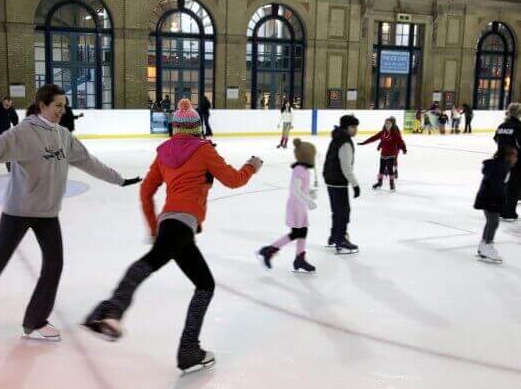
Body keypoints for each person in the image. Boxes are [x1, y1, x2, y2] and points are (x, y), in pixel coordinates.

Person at [0, 84, 141, 341]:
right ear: (42, 106)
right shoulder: (24, 133)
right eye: (57, 105)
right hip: (19, 211)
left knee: (54, 265)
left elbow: (89, 161)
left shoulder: (64, 136)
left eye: (64, 105)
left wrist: (119, 180)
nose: (62, 110)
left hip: (48, 214)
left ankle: (35, 320)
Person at [84, 99, 263, 372]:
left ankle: (187, 350)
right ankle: (112, 311)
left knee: (204, 284)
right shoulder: (204, 150)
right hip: (182, 225)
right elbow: (233, 179)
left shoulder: (163, 153)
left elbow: (146, 191)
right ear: (197, 128)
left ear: (175, 128)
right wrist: (251, 165)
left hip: (172, 224)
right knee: (156, 263)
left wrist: (154, 227)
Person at [257, 138, 317, 272]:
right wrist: (308, 200)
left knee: (302, 232)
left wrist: (310, 192)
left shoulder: (303, 169)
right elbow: (295, 189)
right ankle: (270, 250)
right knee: (297, 233)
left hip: (299, 205)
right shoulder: (300, 170)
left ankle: (299, 258)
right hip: (296, 205)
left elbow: (301, 188)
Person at [322, 115, 360, 254]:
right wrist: (355, 185)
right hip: (338, 180)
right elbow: (346, 167)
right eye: (353, 127)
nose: (356, 130)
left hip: (330, 178)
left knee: (336, 210)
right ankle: (341, 239)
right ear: (346, 127)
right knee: (343, 212)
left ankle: (334, 236)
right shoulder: (345, 142)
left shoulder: (337, 138)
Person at [474, 145, 518, 263]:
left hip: (486, 196)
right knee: (493, 222)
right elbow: (496, 185)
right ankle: (487, 246)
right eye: (514, 156)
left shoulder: (501, 165)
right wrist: (499, 199)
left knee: (491, 222)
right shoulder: (501, 167)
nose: (516, 159)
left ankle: (484, 245)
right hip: (491, 198)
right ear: (508, 157)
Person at [358, 117, 407, 191]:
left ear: (392, 125)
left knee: (390, 169)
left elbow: (400, 142)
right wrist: (364, 143)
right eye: (386, 123)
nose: (387, 125)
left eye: (389, 123)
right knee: (381, 169)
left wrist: (404, 149)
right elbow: (373, 138)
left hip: (391, 154)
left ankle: (392, 184)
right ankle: (379, 183)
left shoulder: (395, 134)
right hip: (383, 154)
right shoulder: (382, 132)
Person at [494, 103, 521, 221]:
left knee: (504, 184)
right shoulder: (518, 126)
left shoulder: (502, 125)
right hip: (515, 160)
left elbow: (496, 138)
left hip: (501, 158)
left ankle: (500, 208)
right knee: (513, 186)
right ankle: (509, 212)